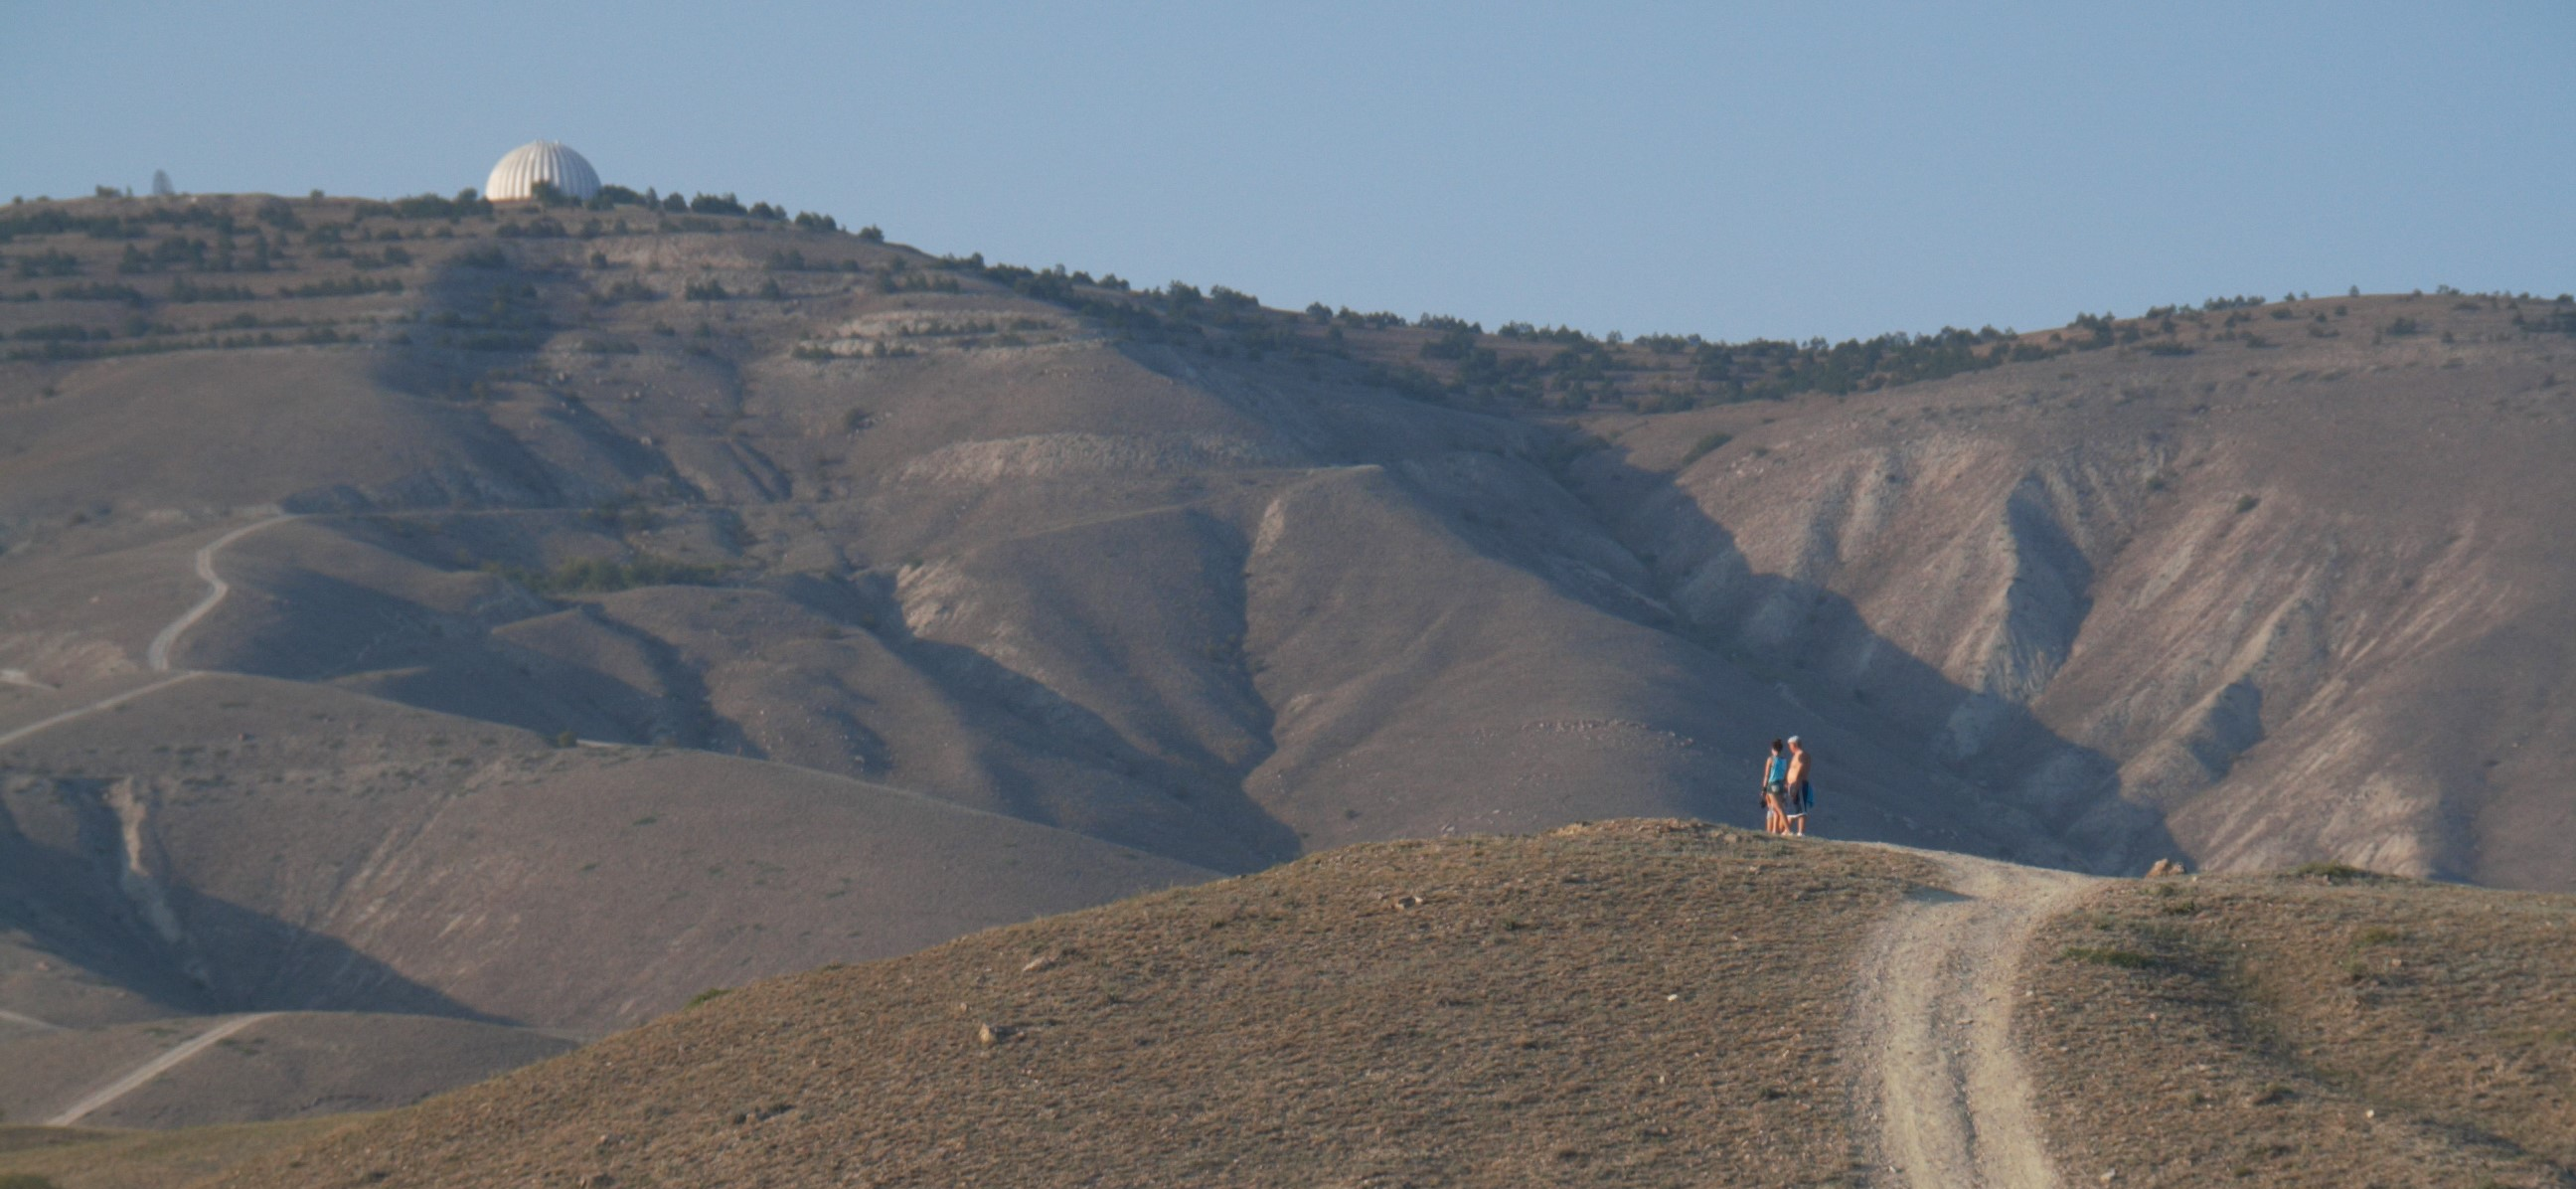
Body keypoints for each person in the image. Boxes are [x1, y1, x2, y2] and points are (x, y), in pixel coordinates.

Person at [1783, 736, 1813, 836]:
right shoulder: (1796, 755)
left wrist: (1796, 785)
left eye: (1790, 745)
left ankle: (1801, 832)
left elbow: (1800, 771)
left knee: (1800, 810)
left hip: (1798, 784)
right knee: (1791, 809)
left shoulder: (1802, 755)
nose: (1789, 748)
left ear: (1794, 745)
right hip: (1793, 785)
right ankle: (1787, 830)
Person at [1760, 739, 1790, 834]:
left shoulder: (1771, 759)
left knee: (1779, 809)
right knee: (1775, 808)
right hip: (1781, 784)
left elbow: (1766, 775)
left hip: (1772, 784)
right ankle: (1775, 830)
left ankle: (1788, 830)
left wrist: (1763, 789)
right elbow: (1785, 776)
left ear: (1773, 749)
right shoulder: (1784, 761)